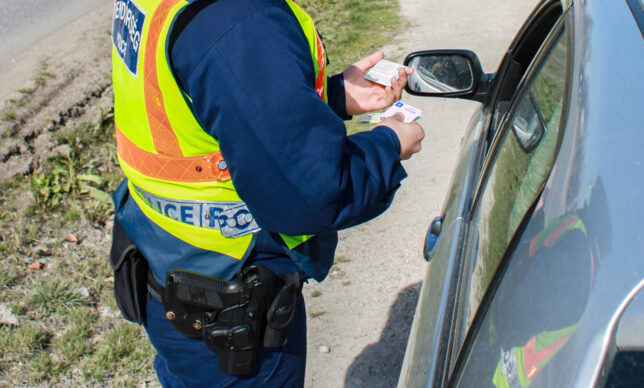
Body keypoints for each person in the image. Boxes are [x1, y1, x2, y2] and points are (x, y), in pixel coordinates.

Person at [109, 0, 424, 386]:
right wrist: (390, 143)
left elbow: (205, 97)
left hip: (168, 266)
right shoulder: (240, 20)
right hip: (232, 310)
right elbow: (311, 193)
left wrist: (329, 96)